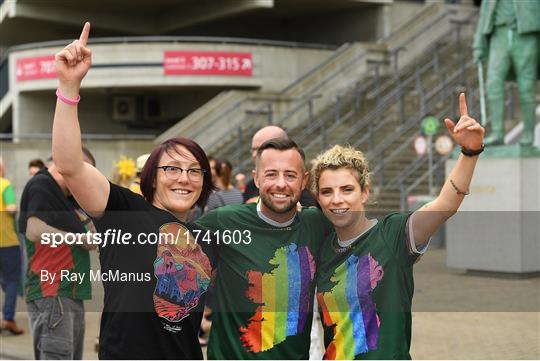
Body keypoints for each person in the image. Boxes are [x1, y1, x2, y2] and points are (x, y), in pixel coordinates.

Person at [51, 22, 215, 359]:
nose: (183, 178)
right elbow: (70, 165)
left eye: (194, 170)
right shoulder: (124, 211)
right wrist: (68, 86)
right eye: (172, 168)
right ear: (153, 176)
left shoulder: (209, 237)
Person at [311, 93, 484, 359]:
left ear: (365, 192)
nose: (337, 199)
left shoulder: (392, 235)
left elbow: (446, 204)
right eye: (327, 192)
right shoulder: (321, 249)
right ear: (318, 198)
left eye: (347, 189)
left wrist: (469, 152)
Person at [197, 138, 332, 359]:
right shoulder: (223, 222)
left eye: (290, 175)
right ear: (256, 178)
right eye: (271, 174)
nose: (281, 183)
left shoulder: (318, 224)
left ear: (304, 180)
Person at [19, 150, 98, 359]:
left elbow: (92, 240)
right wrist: (80, 238)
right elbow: (34, 229)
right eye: (86, 174)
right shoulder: (42, 185)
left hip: (68, 294)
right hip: (53, 293)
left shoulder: (67, 196)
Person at [473, 0, 539, 146]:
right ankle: (497, 133)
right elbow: (485, 12)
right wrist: (478, 44)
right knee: (493, 82)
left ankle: (528, 134)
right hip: (499, 34)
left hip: (526, 35)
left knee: (526, 87)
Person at [243, 126, 317, 207]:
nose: (254, 154)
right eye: (253, 149)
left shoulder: (307, 205)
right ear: (256, 178)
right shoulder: (250, 186)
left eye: (262, 148)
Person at [0, 157, 24, 335]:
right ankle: (8, 319)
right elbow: (10, 208)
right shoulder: (4, 185)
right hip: (7, 242)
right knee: (11, 280)